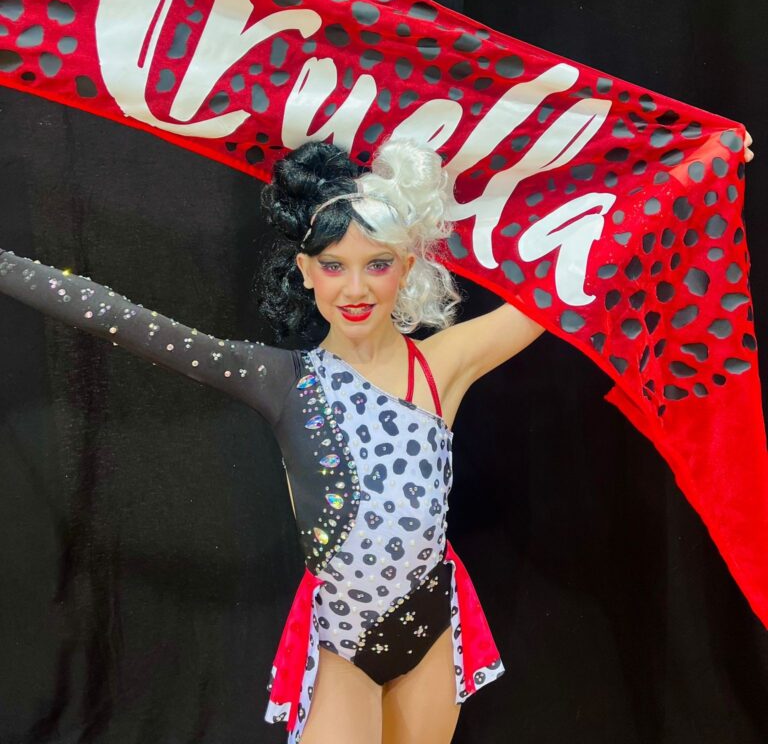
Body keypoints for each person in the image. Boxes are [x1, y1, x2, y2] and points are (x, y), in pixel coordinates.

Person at [0, 129, 755, 744]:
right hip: (343, 638)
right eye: (334, 266)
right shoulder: (278, 378)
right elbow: (125, 321)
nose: (355, 288)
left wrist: (694, 175)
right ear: (306, 272)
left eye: (377, 265)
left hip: (433, 623)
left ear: (408, 269)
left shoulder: (445, 365)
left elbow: (580, 273)